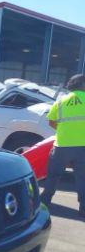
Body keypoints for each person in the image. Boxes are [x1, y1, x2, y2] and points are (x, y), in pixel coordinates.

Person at [40, 73, 85, 218]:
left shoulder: (61, 101)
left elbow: (51, 121)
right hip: (83, 147)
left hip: (61, 145)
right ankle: (83, 208)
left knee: (53, 176)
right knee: (82, 178)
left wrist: (64, 131)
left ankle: (45, 202)